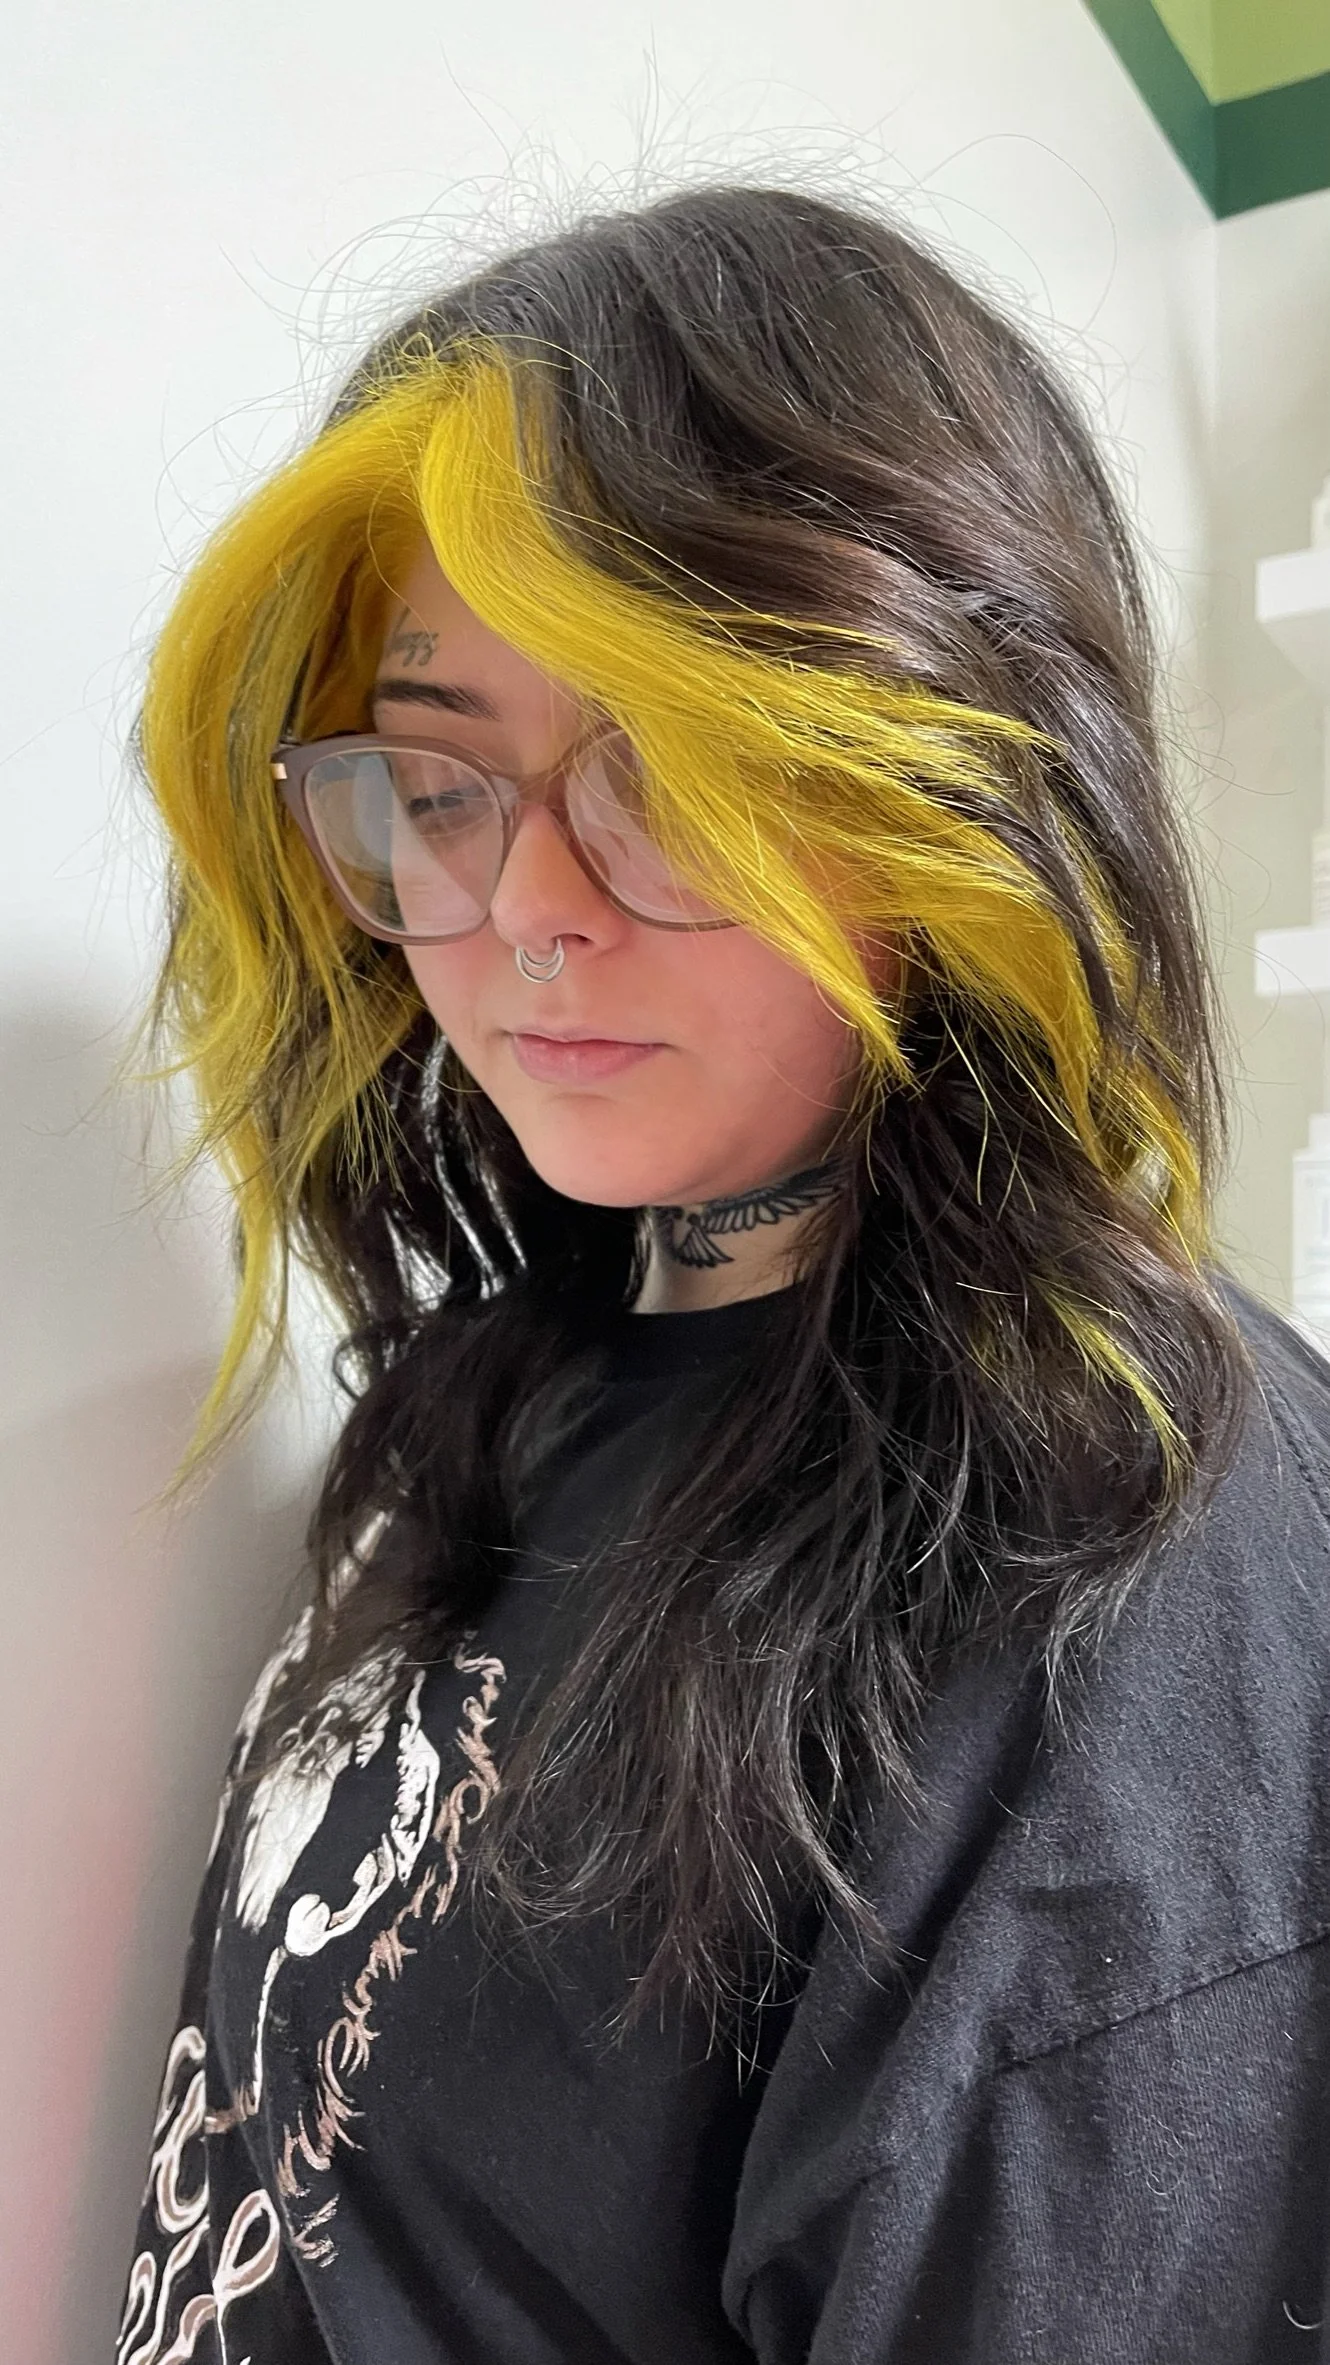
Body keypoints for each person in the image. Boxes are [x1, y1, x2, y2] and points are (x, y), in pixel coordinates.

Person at [114, 182, 1330, 2365]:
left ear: (956, 783)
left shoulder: (1112, 1559)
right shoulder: (484, 1384)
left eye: (665, 767)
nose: (523, 909)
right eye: (435, 780)